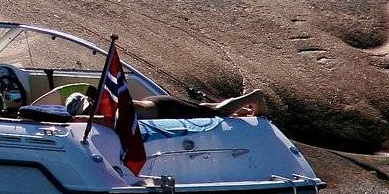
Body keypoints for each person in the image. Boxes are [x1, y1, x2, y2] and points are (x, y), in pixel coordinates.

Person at [67, 85, 263, 120]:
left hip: (165, 110)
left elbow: (109, 120)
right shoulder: (100, 105)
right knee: (202, 109)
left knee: (215, 114)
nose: (88, 112)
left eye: (88, 107)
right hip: (156, 104)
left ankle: (253, 96)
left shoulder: (106, 104)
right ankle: (241, 111)